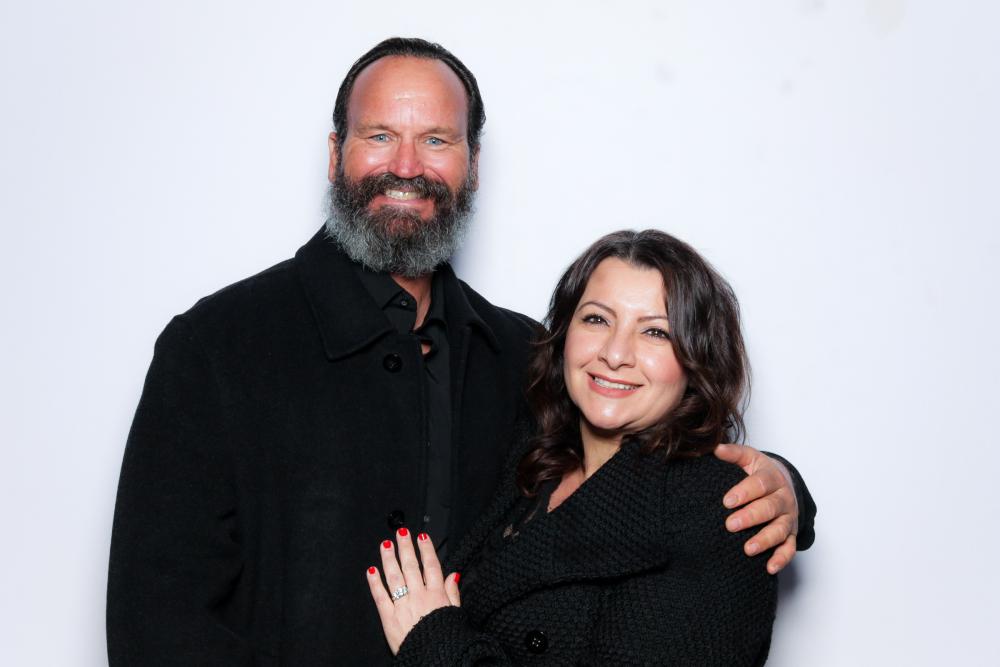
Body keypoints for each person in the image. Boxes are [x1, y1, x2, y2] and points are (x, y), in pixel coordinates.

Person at [107, 38, 815, 665]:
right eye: (380, 135)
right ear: (334, 154)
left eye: (437, 140)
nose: (406, 166)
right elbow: (158, 625)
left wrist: (781, 489)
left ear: (473, 166)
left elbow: (636, 472)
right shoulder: (217, 347)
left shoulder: (525, 356)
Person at [369, 230, 780, 665]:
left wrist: (434, 641)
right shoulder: (532, 458)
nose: (615, 354)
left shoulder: (726, 514)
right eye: (597, 320)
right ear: (564, 334)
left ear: (697, 359)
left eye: (655, 332)